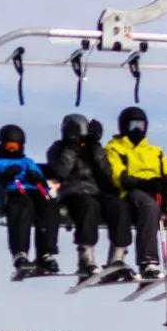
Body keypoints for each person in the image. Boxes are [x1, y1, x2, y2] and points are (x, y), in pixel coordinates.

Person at [101, 105, 167, 279]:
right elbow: (119, 177)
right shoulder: (115, 148)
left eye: (140, 125)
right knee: (149, 206)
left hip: (156, 190)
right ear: (123, 127)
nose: (137, 130)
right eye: (133, 126)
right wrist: (145, 184)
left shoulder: (155, 151)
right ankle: (148, 261)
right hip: (132, 192)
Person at [0, 123, 57, 275]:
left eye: (15, 146)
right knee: (22, 205)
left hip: (32, 192)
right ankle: (20, 253)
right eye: (8, 146)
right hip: (9, 194)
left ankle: (45, 253)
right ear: (0, 145)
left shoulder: (28, 162)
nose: (12, 150)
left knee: (48, 205)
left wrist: (38, 179)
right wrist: (4, 178)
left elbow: (44, 186)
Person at [44, 112, 119, 276]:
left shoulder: (92, 149)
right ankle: (86, 257)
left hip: (95, 192)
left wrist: (95, 147)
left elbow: (106, 172)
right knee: (89, 206)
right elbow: (60, 172)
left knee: (116, 205)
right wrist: (71, 148)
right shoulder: (57, 149)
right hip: (72, 193)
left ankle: (117, 258)